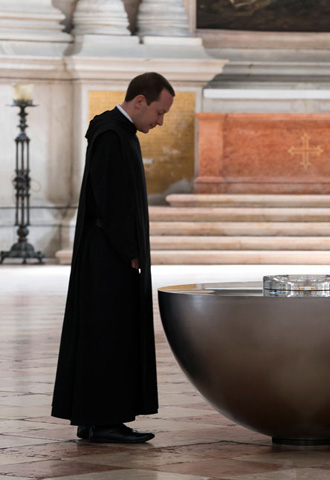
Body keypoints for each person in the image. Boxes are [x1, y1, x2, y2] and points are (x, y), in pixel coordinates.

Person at [51, 72, 175, 443]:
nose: (160, 121)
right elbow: (109, 202)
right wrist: (131, 251)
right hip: (109, 258)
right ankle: (103, 422)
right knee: (108, 335)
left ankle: (95, 418)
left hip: (110, 255)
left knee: (106, 334)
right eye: (158, 111)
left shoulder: (119, 133)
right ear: (140, 101)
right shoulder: (111, 136)